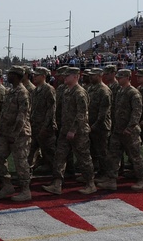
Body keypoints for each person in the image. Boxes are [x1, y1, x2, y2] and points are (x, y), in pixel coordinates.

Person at [43, 67, 96, 195]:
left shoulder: (80, 93)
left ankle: (90, 183)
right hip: (65, 130)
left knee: (83, 157)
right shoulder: (67, 91)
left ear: (76, 77)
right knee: (59, 156)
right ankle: (57, 183)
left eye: (68, 75)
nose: (64, 77)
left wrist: (73, 130)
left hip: (78, 131)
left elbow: (81, 114)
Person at [98, 68, 143, 191]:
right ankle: (111, 180)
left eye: (121, 77)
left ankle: (141, 180)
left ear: (127, 78)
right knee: (113, 156)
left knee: (135, 156)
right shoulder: (120, 91)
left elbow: (137, 112)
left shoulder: (133, 93)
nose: (118, 79)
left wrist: (130, 128)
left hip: (130, 132)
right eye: (118, 77)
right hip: (118, 130)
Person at [0, 65, 32, 202]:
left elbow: (22, 116)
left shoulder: (22, 92)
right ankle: (7, 185)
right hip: (5, 132)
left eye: (10, 74)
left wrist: (14, 134)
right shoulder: (11, 91)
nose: (7, 76)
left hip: (19, 134)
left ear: (16, 76)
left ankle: (26, 191)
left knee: (21, 162)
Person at [28, 67, 57, 175]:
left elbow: (51, 110)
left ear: (43, 76)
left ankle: (57, 177)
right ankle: (27, 174)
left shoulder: (49, 89)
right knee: (30, 151)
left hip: (45, 128)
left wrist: (46, 126)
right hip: (35, 126)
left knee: (50, 152)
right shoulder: (36, 90)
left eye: (37, 75)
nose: (34, 77)